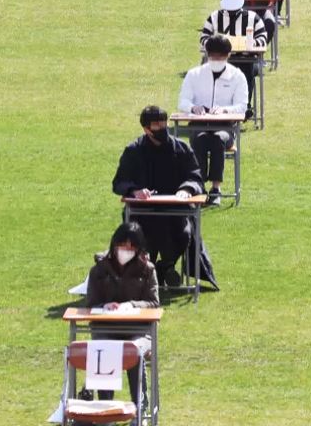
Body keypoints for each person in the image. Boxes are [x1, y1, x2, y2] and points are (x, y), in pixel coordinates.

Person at [111, 105, 216, 289]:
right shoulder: (133, 151)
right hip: (143, 213)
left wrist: (187, 189)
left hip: (176, 212)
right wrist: (135, 191)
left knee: (184, 235)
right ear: (146, 129)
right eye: (157, 125)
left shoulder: (181, 149)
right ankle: (147, 272)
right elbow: (119, 182)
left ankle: (164, 267)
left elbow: (195, 177)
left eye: (163, 123)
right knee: (139, 236)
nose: (162, 128)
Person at [83, 221, 158, 402]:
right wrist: (104, 307)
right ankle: (105, 408)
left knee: (133, 351)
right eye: (122, 245)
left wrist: (132, 305)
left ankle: (139, 406)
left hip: (138, 331)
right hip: (106, 329)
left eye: (131, 247)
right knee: (104, 350)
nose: (126, 250)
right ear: (114, 244)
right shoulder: (98, 271)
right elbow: (91, 302)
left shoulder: (147, 270)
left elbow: (154, 303)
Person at [178, 35, 248, 207]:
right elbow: (183, 101)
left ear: (228, 55)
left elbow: (242, 106)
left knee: (217, 139)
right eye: (213, 57)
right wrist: (194, 108)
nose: (216, 60)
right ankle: (198, 186)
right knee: (200, 140)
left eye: (221, 57)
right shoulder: (194, 74)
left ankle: (216, 189)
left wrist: (225, 110)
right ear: (207, 55)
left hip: (225, 126)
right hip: (199, 124)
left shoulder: (237, 76)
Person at [200, 0, 268, 120]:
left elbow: (263, 38)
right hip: (220, 60)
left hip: (246, 59)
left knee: (246, 69)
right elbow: (203, 38)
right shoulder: (214, 17)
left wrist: (252, 43)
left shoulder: (253, 18)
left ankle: (244, 106)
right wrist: (216, 43)